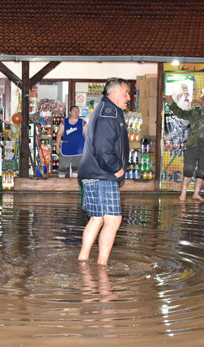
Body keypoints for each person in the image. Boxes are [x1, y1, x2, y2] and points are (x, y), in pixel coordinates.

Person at [77, 78, 130, 265]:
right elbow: (102, 147)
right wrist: (117, 167)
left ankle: (83, 261)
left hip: (93, 173)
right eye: (126, 93)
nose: (128, 97)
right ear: (114, 94)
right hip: (102, 174)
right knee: (113, 220)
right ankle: (102, 266)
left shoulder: (104, 109)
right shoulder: (110, 113)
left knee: (97, 218)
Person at [164, 93, 204, 202]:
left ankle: (196, 194)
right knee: (188, 167)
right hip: (193, 143)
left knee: (203, 169)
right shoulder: (195, 111)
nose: (201, 100)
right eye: (201, 98)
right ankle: (183, 192)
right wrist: (171, 103)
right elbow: (181, 114)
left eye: (203, 98)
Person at [55, 105, 87, 178]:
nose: (76, 113)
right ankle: (61, 187)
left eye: (77, 111)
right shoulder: (64, 122)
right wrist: (57, 146)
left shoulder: (83, 122)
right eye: (74, 111)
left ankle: (75, 188)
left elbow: (87, 136)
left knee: (76, 170)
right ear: (70, 112)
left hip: (79, 151)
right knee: (62, 169)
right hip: (66, 150)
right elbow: (59, 134)